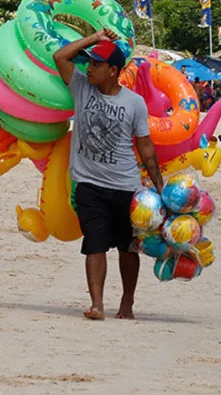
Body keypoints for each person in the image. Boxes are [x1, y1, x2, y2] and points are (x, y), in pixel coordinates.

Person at [53, 29, 164, 321]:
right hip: (88, 183)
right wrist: (95, 38)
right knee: (95, 243)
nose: (89, 68)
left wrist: (160, 187)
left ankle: (127, 303)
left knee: (128, 248)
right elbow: (60, 56)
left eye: (97, 64)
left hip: (125, 186)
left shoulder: (134, 103)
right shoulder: (80, 86)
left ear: (113, 71)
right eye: (89, 63)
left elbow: (145, 146)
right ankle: (97, 304)